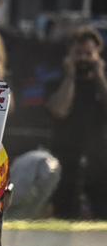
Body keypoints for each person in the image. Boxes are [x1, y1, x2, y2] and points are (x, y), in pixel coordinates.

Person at [44, 27, 107, 218]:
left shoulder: (102, 84)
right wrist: (70, 75)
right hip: (65, 163)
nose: (83, 58)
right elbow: (59, 110)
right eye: (78, 53)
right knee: (65, 217)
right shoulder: (55, 83)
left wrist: (100, 76)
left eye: (88, 53)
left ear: (97, 55)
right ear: (69, 55)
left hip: (100, 164)